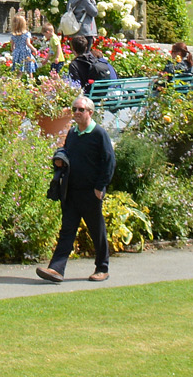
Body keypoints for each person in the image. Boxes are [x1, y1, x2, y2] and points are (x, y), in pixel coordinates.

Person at [38, 95, 114, 283]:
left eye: (81, 109)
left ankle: (102, 268)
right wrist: (59, 158)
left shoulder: (99, 134)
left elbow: (109, 162)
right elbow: (66, 152)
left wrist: (100, 187)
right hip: (71, 191)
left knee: (97, 231)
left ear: (90, 112)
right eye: (75, 109)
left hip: (90, 192)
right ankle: (56, 269)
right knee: (67, 230)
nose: (77, 113)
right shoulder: (72, 133)